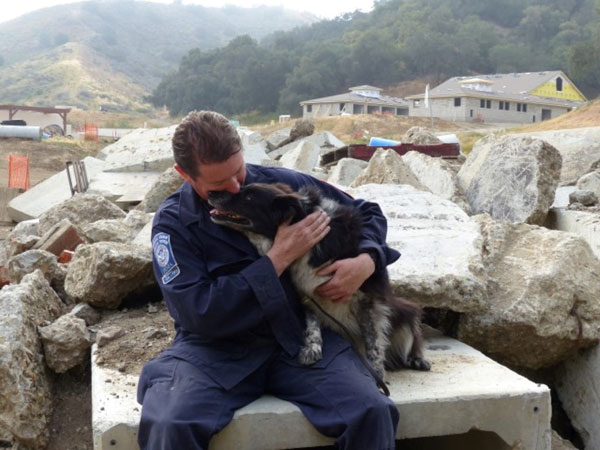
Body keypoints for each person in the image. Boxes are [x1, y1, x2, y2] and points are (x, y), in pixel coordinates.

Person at [137, 110, 402, 450]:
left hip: (300, 339)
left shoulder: (281, 186)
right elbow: (199, 311)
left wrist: (367, 260)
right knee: (169, 422)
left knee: (371, 411)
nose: (236, 187)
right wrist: (278, 259)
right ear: (184, 176)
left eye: (239, 172)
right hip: (215, 351)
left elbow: (366, 213)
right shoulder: (174, 225)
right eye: (219, 186)